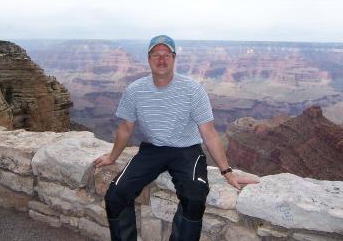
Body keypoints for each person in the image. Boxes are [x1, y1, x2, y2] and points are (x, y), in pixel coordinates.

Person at [94, 35, 257, 241]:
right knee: (116, 194)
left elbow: (209, 132)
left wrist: (227, 172)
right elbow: (126, 128)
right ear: (148, 58)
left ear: (174, 58)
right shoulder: (135, 90)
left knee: (195, 196)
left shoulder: (193, 90)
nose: (161, 60)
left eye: (166, 55)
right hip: (153, 149)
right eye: (156, 55)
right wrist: (112, 157)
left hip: (186, 151)